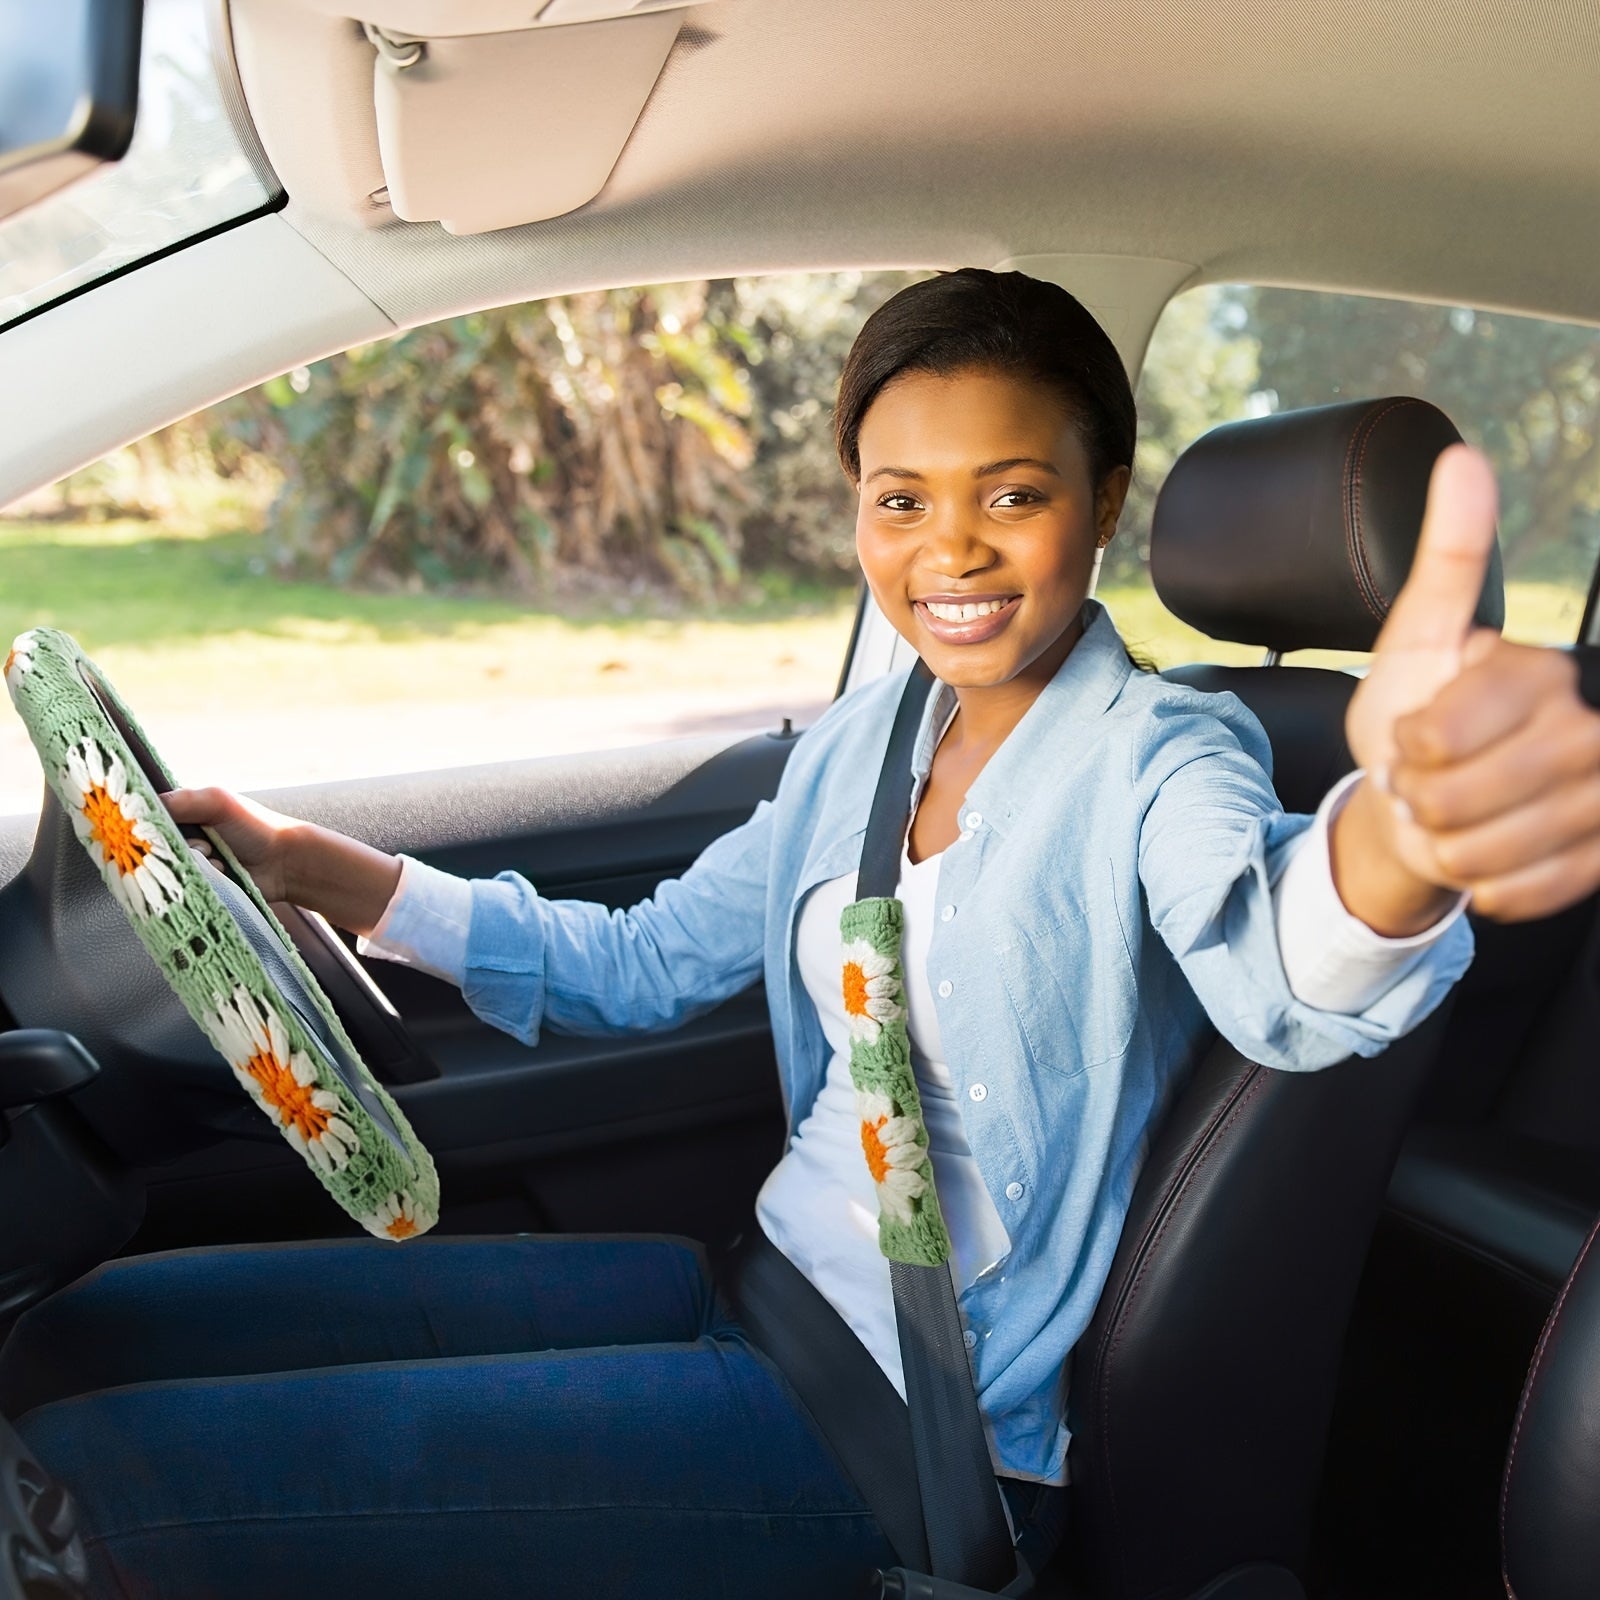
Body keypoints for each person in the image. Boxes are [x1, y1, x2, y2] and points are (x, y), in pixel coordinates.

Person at [7, 269, 1600, 1600]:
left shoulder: (1164, 754)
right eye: (900, 500)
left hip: (914, 1434)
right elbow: (641, 961)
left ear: (1105, 502)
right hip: (761, 1290)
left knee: (87, 1491)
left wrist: (1399, 839)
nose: (950, 550)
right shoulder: (870, 738)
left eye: (1014, 496)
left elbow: (1276, 967)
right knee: (94, 1334)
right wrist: (321, 873)